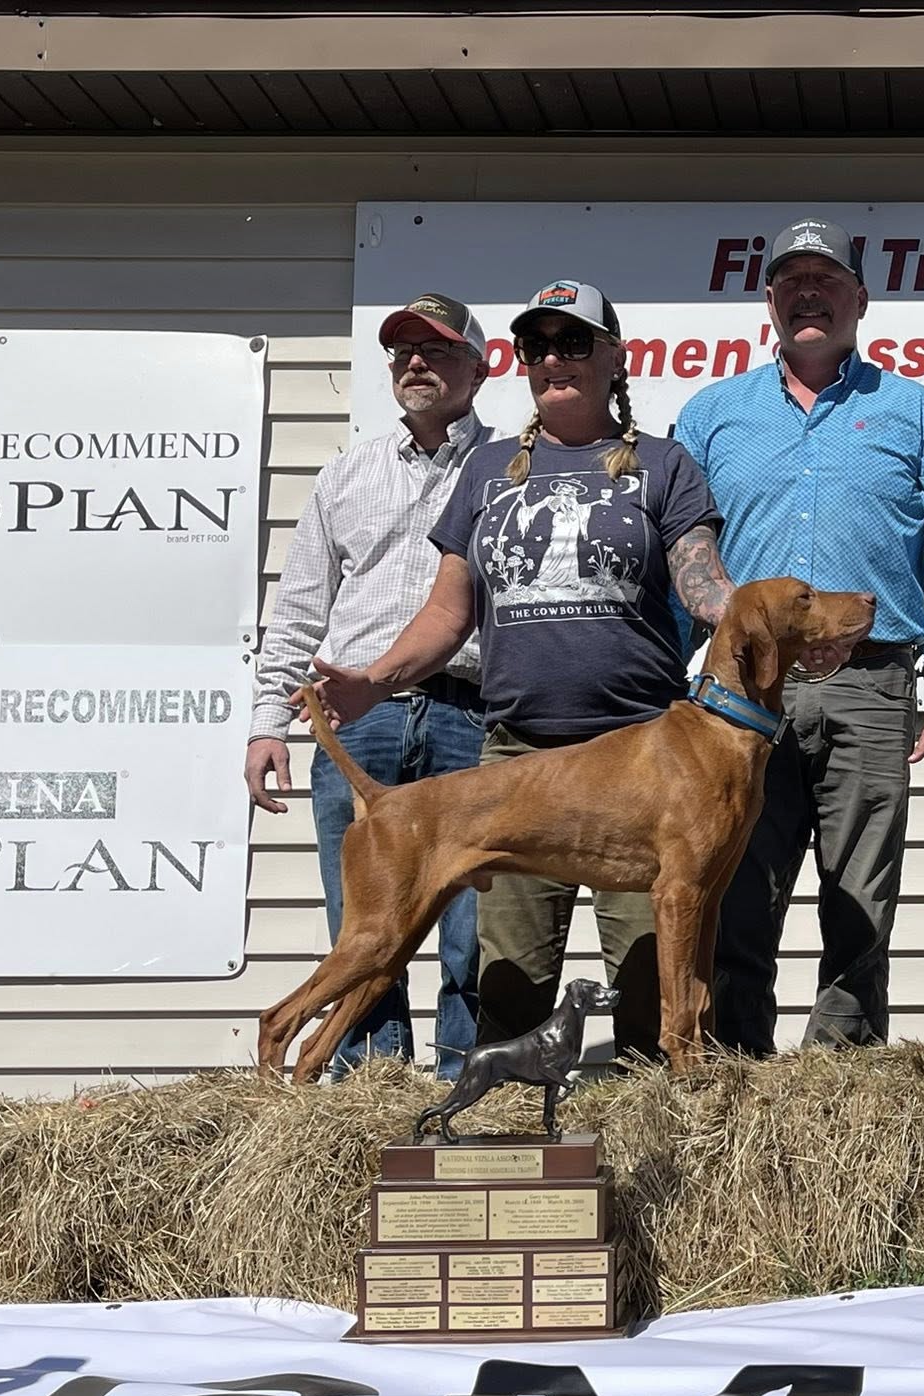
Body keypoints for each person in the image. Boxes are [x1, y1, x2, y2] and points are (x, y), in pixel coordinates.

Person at [309, 279, 734, 1062]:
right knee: (505, 991)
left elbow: (701, 581)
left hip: (641, 759)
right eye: (535, 346)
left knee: (648, 991)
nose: (551, 359)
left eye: (572, 342)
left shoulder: (667, 465)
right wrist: (373, 681)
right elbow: (447, 615)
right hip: (519, 758)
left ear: (614, 357)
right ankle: (505, 1162)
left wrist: (756, 618)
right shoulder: (488, 470)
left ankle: (651, 1164)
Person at [674, 216, 924, 1056]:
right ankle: (736, 1074)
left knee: (861, 895)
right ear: (769, 301)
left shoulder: (917, 413)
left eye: (826, 281)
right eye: (790, 282)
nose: (807, 294)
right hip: (743, 693)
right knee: (737, 888)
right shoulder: (711, 414)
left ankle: (839, 1085)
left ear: (860, 298)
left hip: (874, 683)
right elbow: (679, 556)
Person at [246, 292, 491, 1080]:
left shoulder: (511, 468)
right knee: (363, 926)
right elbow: (296, 613)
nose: (415, 363)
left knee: (475, 928)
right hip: (357, 722)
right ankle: (371, 1092)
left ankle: (466, 1092)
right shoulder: (346, 474)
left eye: (437, 350)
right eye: (402, 352)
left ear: (479, 368)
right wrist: (264, 726)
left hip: (472, 712)